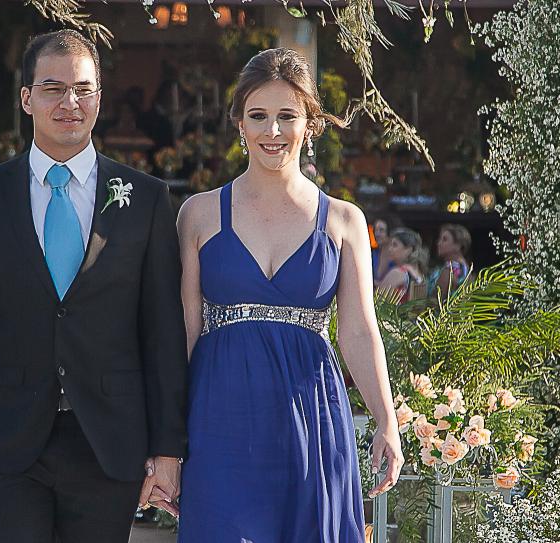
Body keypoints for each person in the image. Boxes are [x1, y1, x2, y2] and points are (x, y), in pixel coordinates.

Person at [0, 30, 188, 543]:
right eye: (53, 88)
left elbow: (162, 332)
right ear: (27, 98)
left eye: (83, 89)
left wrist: (167, 449)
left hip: (109, 440)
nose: (70, 102)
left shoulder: (146, 199)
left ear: (99, 98)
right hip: (7, 440)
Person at [176, 48, 403, 542]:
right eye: (258, 115)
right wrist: (166, 441)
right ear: (239, 122)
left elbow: (359, 331)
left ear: (311, 124)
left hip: (312, 421)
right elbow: (185, 332)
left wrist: (386, 419)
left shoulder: (344, 220)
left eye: (287, 116)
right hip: (219, 421)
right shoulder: (198, 214)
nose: (272, 131)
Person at [377, 228, 427, 303]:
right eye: (390, 245)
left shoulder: (398, 273)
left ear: (409, 250)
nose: (390, 249)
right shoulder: (419, 273)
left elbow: (377, 300)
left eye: (394, 245)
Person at [427, 223, 471, 297]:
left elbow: (437, 298)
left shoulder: (451, 268)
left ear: (458, 245)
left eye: (444, 239)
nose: (438, 243)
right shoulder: (463, 266)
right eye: (440, 239)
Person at [370, 214, 400, 285]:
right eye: (375, 230)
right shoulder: (372, 254)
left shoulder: (398, 255)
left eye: (381, 230)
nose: (377, 234)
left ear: (390, 232)